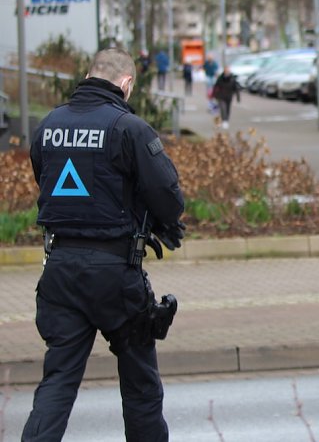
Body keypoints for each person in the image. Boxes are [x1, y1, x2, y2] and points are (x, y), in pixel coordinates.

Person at [24, 48, 186, 441]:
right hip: (116, 276)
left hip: (60, 271)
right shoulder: (129, 128)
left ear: (89, 74)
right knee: (140, 386)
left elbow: (42, 178)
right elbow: (169, 196)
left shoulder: (48, 125)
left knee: (58, 381)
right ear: (126, 83)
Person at [212, 65, 240, 130]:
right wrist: (213, 95)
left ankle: (226, 120)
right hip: (220, 96)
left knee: (227, 109)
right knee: (223, 108)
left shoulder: (233, 79)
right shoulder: (220, 78)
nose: (227, 71)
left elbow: (236, 88)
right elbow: (216, 86)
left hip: (229, 96)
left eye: (228, 70)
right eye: (226, 70)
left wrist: (238, 97)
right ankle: (224, 120)